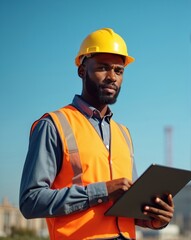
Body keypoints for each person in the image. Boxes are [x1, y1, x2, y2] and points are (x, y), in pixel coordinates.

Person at [19, 28, 174, 240]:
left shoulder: (123, 134)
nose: (112, 77)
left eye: (119, 71)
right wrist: (101, 191)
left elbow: (128, 206)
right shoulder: (53, 125)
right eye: (103, 68)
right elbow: (30, 201)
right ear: (82, 70)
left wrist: (155, 218)